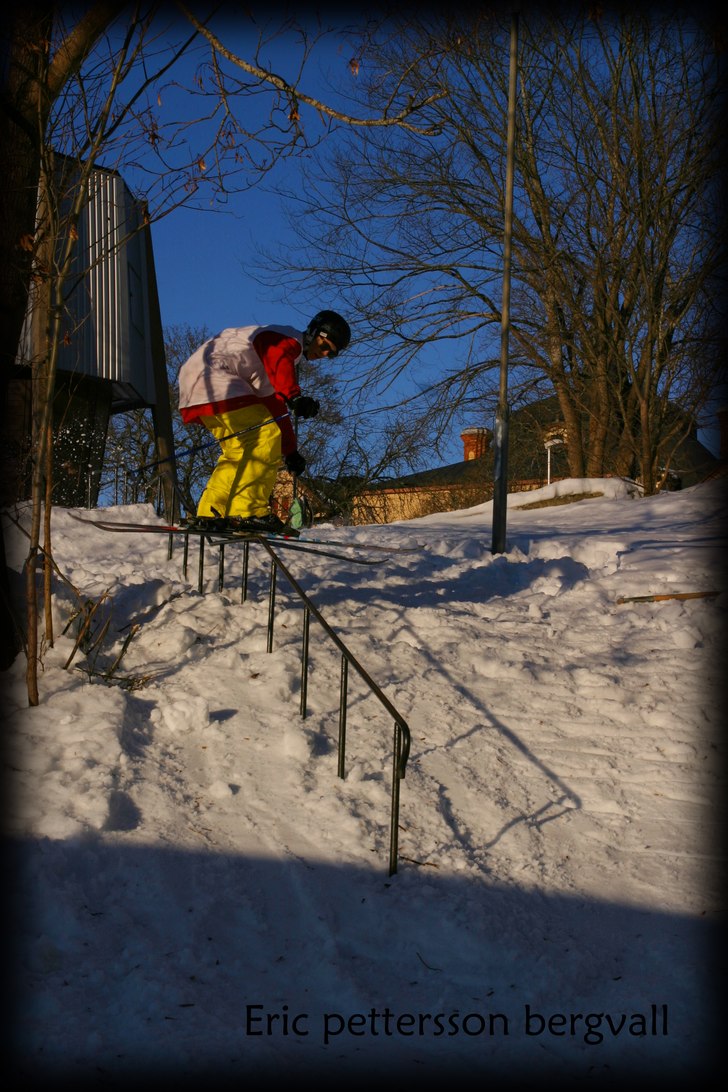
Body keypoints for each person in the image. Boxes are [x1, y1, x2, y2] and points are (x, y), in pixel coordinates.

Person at [178, 310, 351, 533]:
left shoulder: (279, 361)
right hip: (215, 377)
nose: (324, 353)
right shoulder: (287, 340)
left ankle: (212, 512)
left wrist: (290, 451)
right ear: (314, 332)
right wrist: (294, 396)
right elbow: (276, 354)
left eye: (331, 354)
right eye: (324, 345)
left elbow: (274, 406)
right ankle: (248, 511)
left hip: (196, 382)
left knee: (238, 451)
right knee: (265, 437)